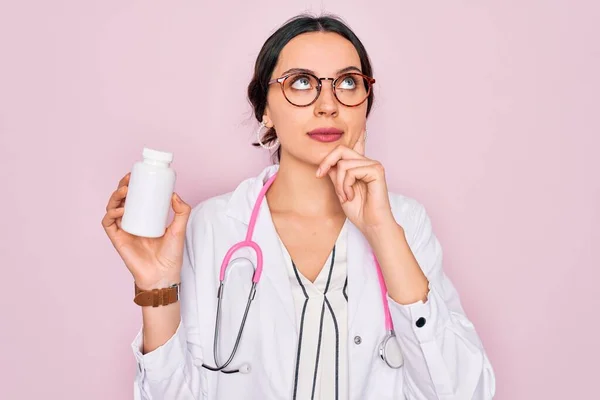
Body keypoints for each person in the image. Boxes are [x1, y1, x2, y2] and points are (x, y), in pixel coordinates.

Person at [102, 13, 496, 400]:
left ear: (365, 104)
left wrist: (382, 232)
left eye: (347, 82)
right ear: (265, 110)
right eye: (302, 82)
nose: (328, 105)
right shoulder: (214, 226)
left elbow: (463, 392)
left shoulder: (405, 222)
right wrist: (157, 292)